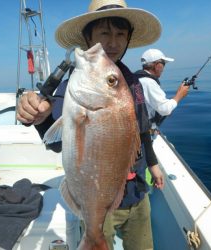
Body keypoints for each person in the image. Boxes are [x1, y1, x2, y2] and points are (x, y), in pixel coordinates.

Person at [17, 0, 164, 249]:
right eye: (104, 33)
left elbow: (142, 130)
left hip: (138, 193)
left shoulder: (135, 84)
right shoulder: (71, 89)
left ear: (128, 39)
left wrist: (153, 163)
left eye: (120, 34)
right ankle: (93, 236)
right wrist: (39, 119)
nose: (113, 42)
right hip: (97, 199)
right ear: (88, 37)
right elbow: (56, 144)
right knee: (96, 235)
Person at [135, 48, 190, 131]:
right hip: (143, 133)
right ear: (157, 65)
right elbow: (165, 109)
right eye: (163, 63)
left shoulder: (137, 79)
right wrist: (179, 95)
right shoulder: (149, 82)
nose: (163, 68)